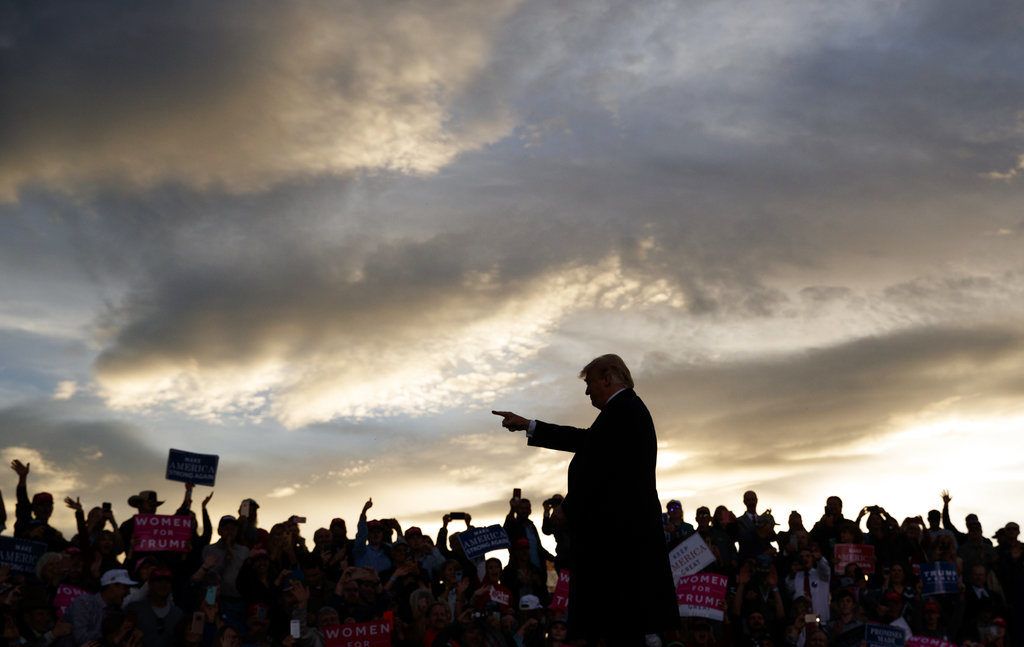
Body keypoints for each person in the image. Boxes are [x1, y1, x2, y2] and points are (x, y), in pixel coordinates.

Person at [493, 353, 677, 644]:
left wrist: (569, 506)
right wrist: (529, 425)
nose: (587, 391)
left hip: (619, 542)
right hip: (619, 540)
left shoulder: (625, 410)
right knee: (619, 627)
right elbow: (588, 445)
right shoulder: (623, 411)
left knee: (618, 627)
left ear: (608, 377)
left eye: (590, 383)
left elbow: (603, 470)